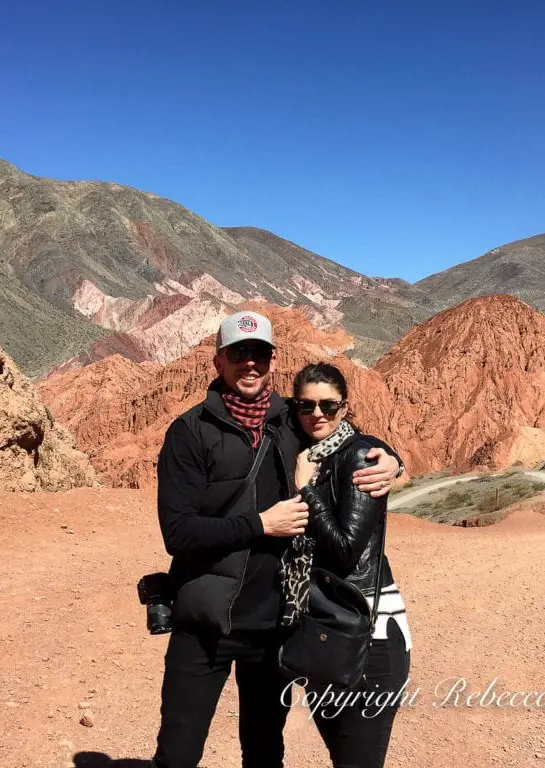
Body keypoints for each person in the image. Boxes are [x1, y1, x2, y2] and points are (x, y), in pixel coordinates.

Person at [152, 310, 403, 768]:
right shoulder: (189, 433)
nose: (250, 363)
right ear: (218, 361)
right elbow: (178, 532)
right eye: (239, 353)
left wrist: (391, 459)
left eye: (260, 354)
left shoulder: (292, 417)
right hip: (202, 621)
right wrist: (260, 525)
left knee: (265, 750)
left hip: (274, 626)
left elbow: (347, 438)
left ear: (272, 360)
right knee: (178, 751)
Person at [289, 361, 413, 768]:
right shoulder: (309, 453)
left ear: (344, 406)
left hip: (368, 634)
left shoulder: (359, 455)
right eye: (306, 406)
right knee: (343, 755)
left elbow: (344, 550)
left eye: (328, 405)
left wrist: (307, 488)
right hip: (326, 629)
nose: (317, 414)